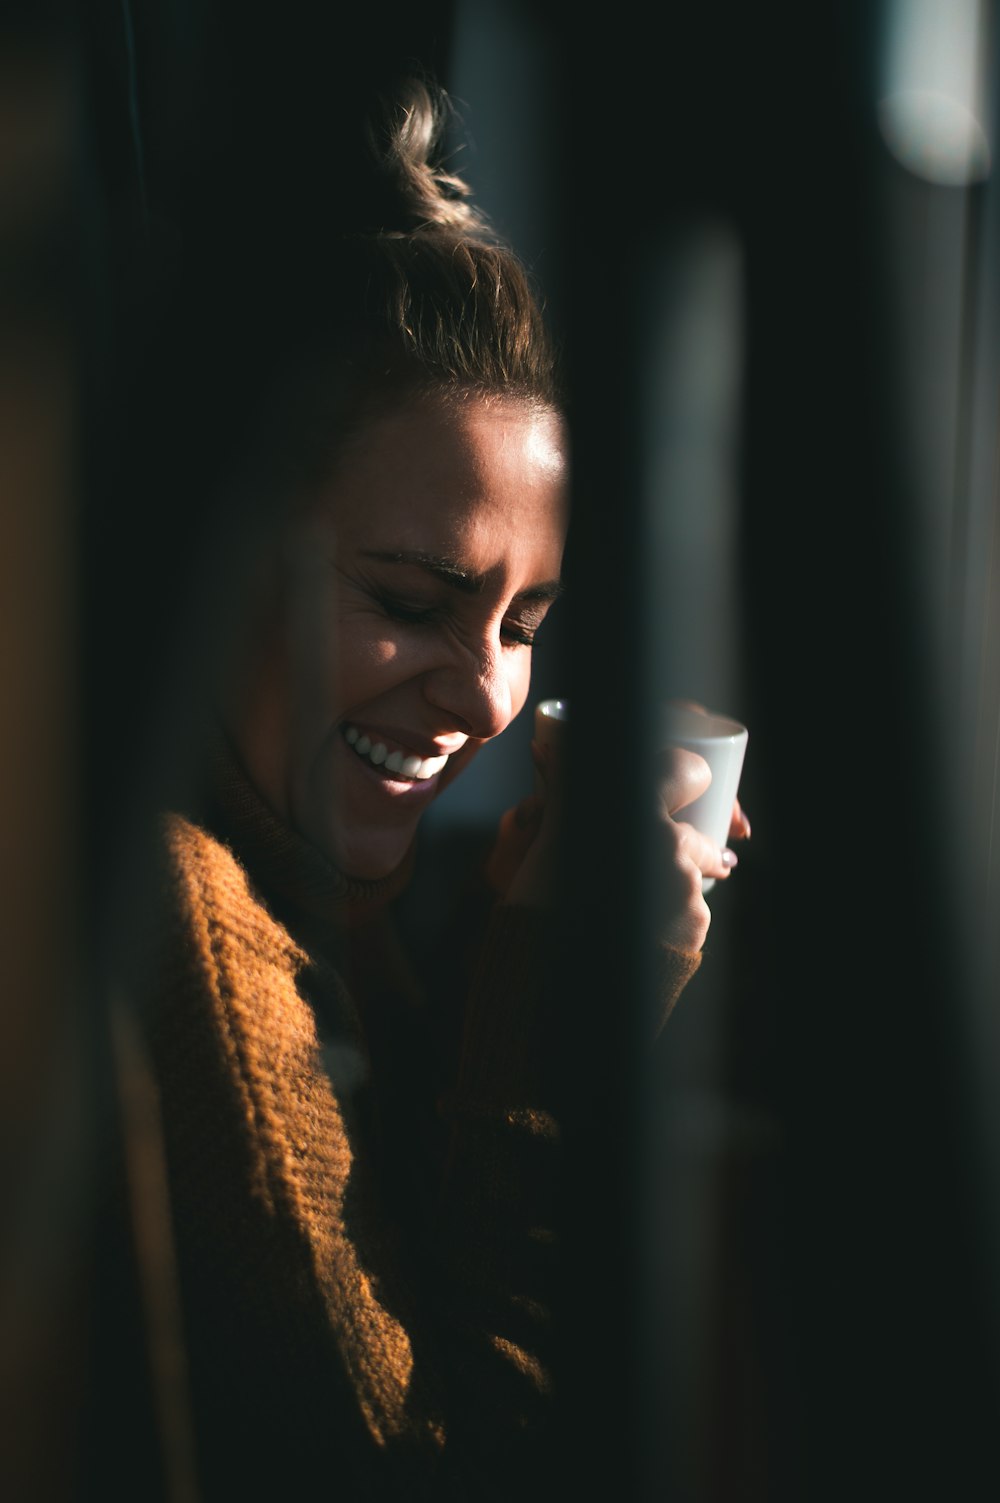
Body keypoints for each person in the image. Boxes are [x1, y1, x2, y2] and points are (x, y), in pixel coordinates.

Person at [101, 74, 750, 1502]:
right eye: (409, 599)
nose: (484, 698)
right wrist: (567, 990)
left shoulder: (336, 915)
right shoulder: (181, 905)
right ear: (223, 566)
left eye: (523, 628)